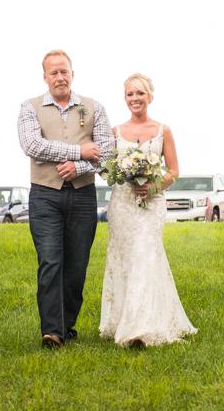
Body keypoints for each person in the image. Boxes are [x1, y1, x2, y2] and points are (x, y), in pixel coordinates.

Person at [17, 50, 114, 348]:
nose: (59, 77)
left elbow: (107, 151)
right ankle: (52, 331)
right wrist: (79, 151)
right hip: (44, 195)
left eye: (64, 72)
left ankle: (66, 325)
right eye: (53, 73)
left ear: (73, 74)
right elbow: (33, 145)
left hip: (83, 195)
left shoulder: (94, 107)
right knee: (50, 260)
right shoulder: (29, 107)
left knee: (76, 266)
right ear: (44, 77)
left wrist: (80, 166)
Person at [99, 73, 195, 348]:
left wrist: (153, 185)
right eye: (130, 94)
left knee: (146, 257)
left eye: (140, 93)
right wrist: (120, 171)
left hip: (151, 206)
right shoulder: (115, 132)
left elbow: (174, 171)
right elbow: (106, 169)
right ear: (125, 98)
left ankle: (139, 329)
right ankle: (123, 319)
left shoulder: (163, 130)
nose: (135, 99)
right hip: (122, 205)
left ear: (150, 96)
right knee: (126, 260)